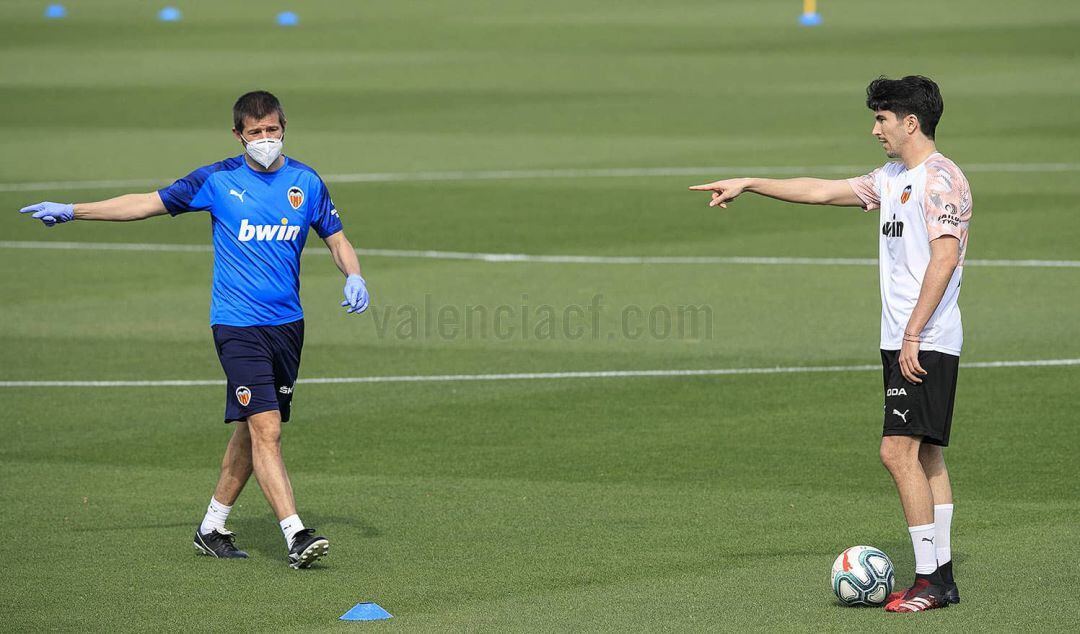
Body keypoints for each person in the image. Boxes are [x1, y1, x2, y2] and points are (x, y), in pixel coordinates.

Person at [19, 90, 370, 570]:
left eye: (272, 130)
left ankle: (211, 528)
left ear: (284, 128)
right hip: (237, 325)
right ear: (238, 135)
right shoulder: (217, 181)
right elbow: (145, 203)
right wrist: (74, 209)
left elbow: (337, 238)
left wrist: (353, 274)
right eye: (255, 132)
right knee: (266, 429)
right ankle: (296, 534)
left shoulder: (305, 182)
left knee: (252, 430)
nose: (265, 139)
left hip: (288, 326)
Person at [689, 76, 970, 612]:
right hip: (904, 337)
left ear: (910, 122)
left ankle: (929, 581)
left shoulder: (941, 180)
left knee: (896, 452)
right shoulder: (892, 178)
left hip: (925, 338)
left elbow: (945, 257)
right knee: (926, 453)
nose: (875, 130)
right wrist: (750, 182)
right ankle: (942, 577)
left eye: (882, 119)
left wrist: (913, 334)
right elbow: (821, 190)